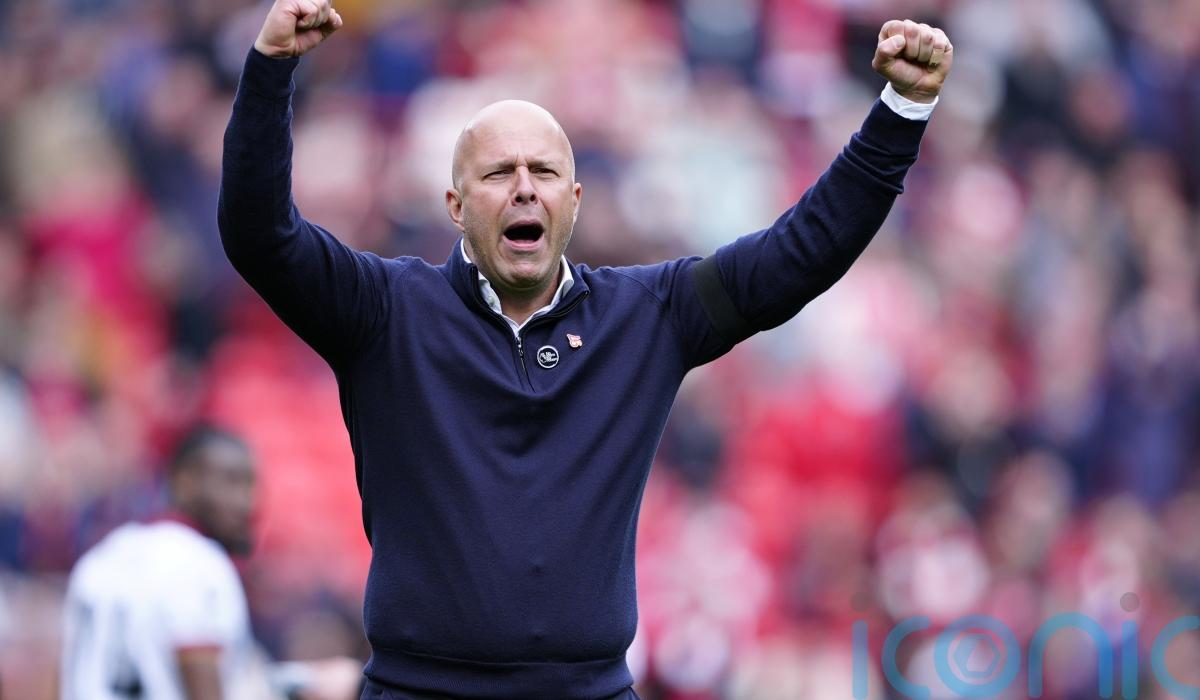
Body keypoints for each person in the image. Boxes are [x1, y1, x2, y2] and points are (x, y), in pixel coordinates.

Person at [218, 1, 953, 698]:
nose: (524, 190)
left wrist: (903, 110)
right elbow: (260, 236)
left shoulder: (646, 316)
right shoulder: (386, 310)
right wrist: (270, 70)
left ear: (573, 200)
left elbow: (801, 253)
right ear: (455, 206)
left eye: (543, 173)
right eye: (498, 173)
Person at [59, 426, 360, 700]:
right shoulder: (200, 563)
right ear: (184, 482)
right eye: (230, 482)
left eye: (250, 485)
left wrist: (301, 682)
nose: (246, 502)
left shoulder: (101, 559)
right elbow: (203, 685)